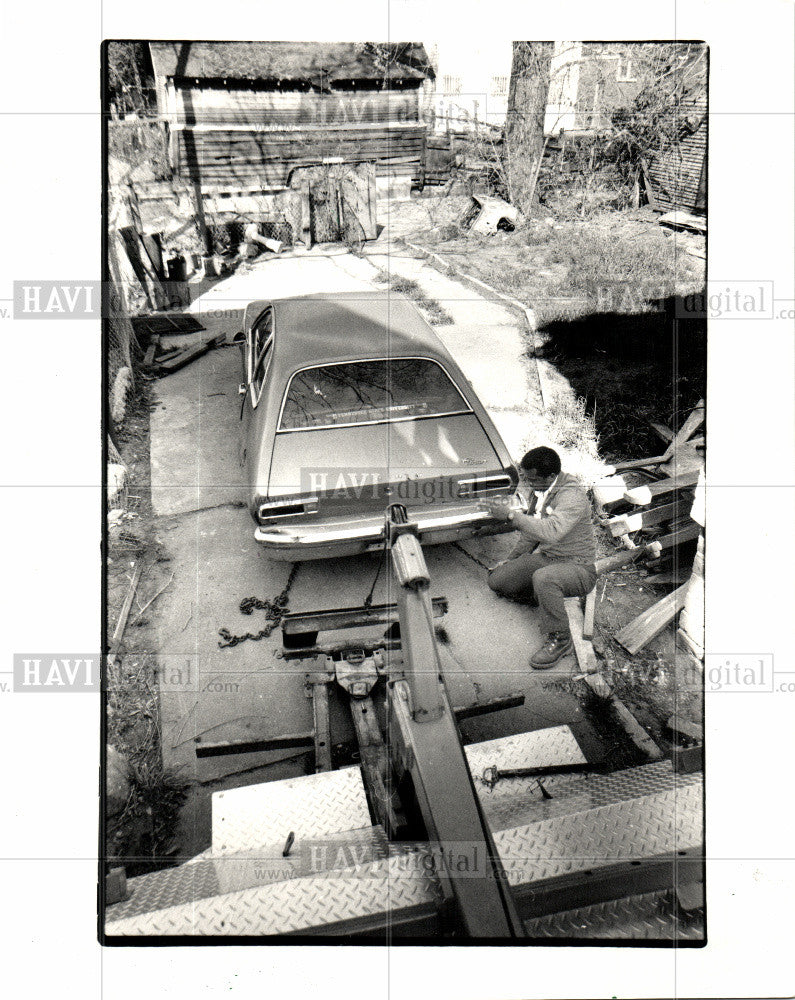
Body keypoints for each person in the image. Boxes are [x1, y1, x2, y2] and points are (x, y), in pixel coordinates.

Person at [480, 446, 597, 668]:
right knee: (497, 580)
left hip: (579, 568)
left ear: (551, 476)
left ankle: (561, 639)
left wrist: (512, 515)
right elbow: (531, 533)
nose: (528, 484)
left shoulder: (571, 495)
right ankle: (543, 599)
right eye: (526, 478)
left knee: (545, 578)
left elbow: (550, 531)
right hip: (550, 558)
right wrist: (512, 559)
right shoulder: (541, 490)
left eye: (532, 479)